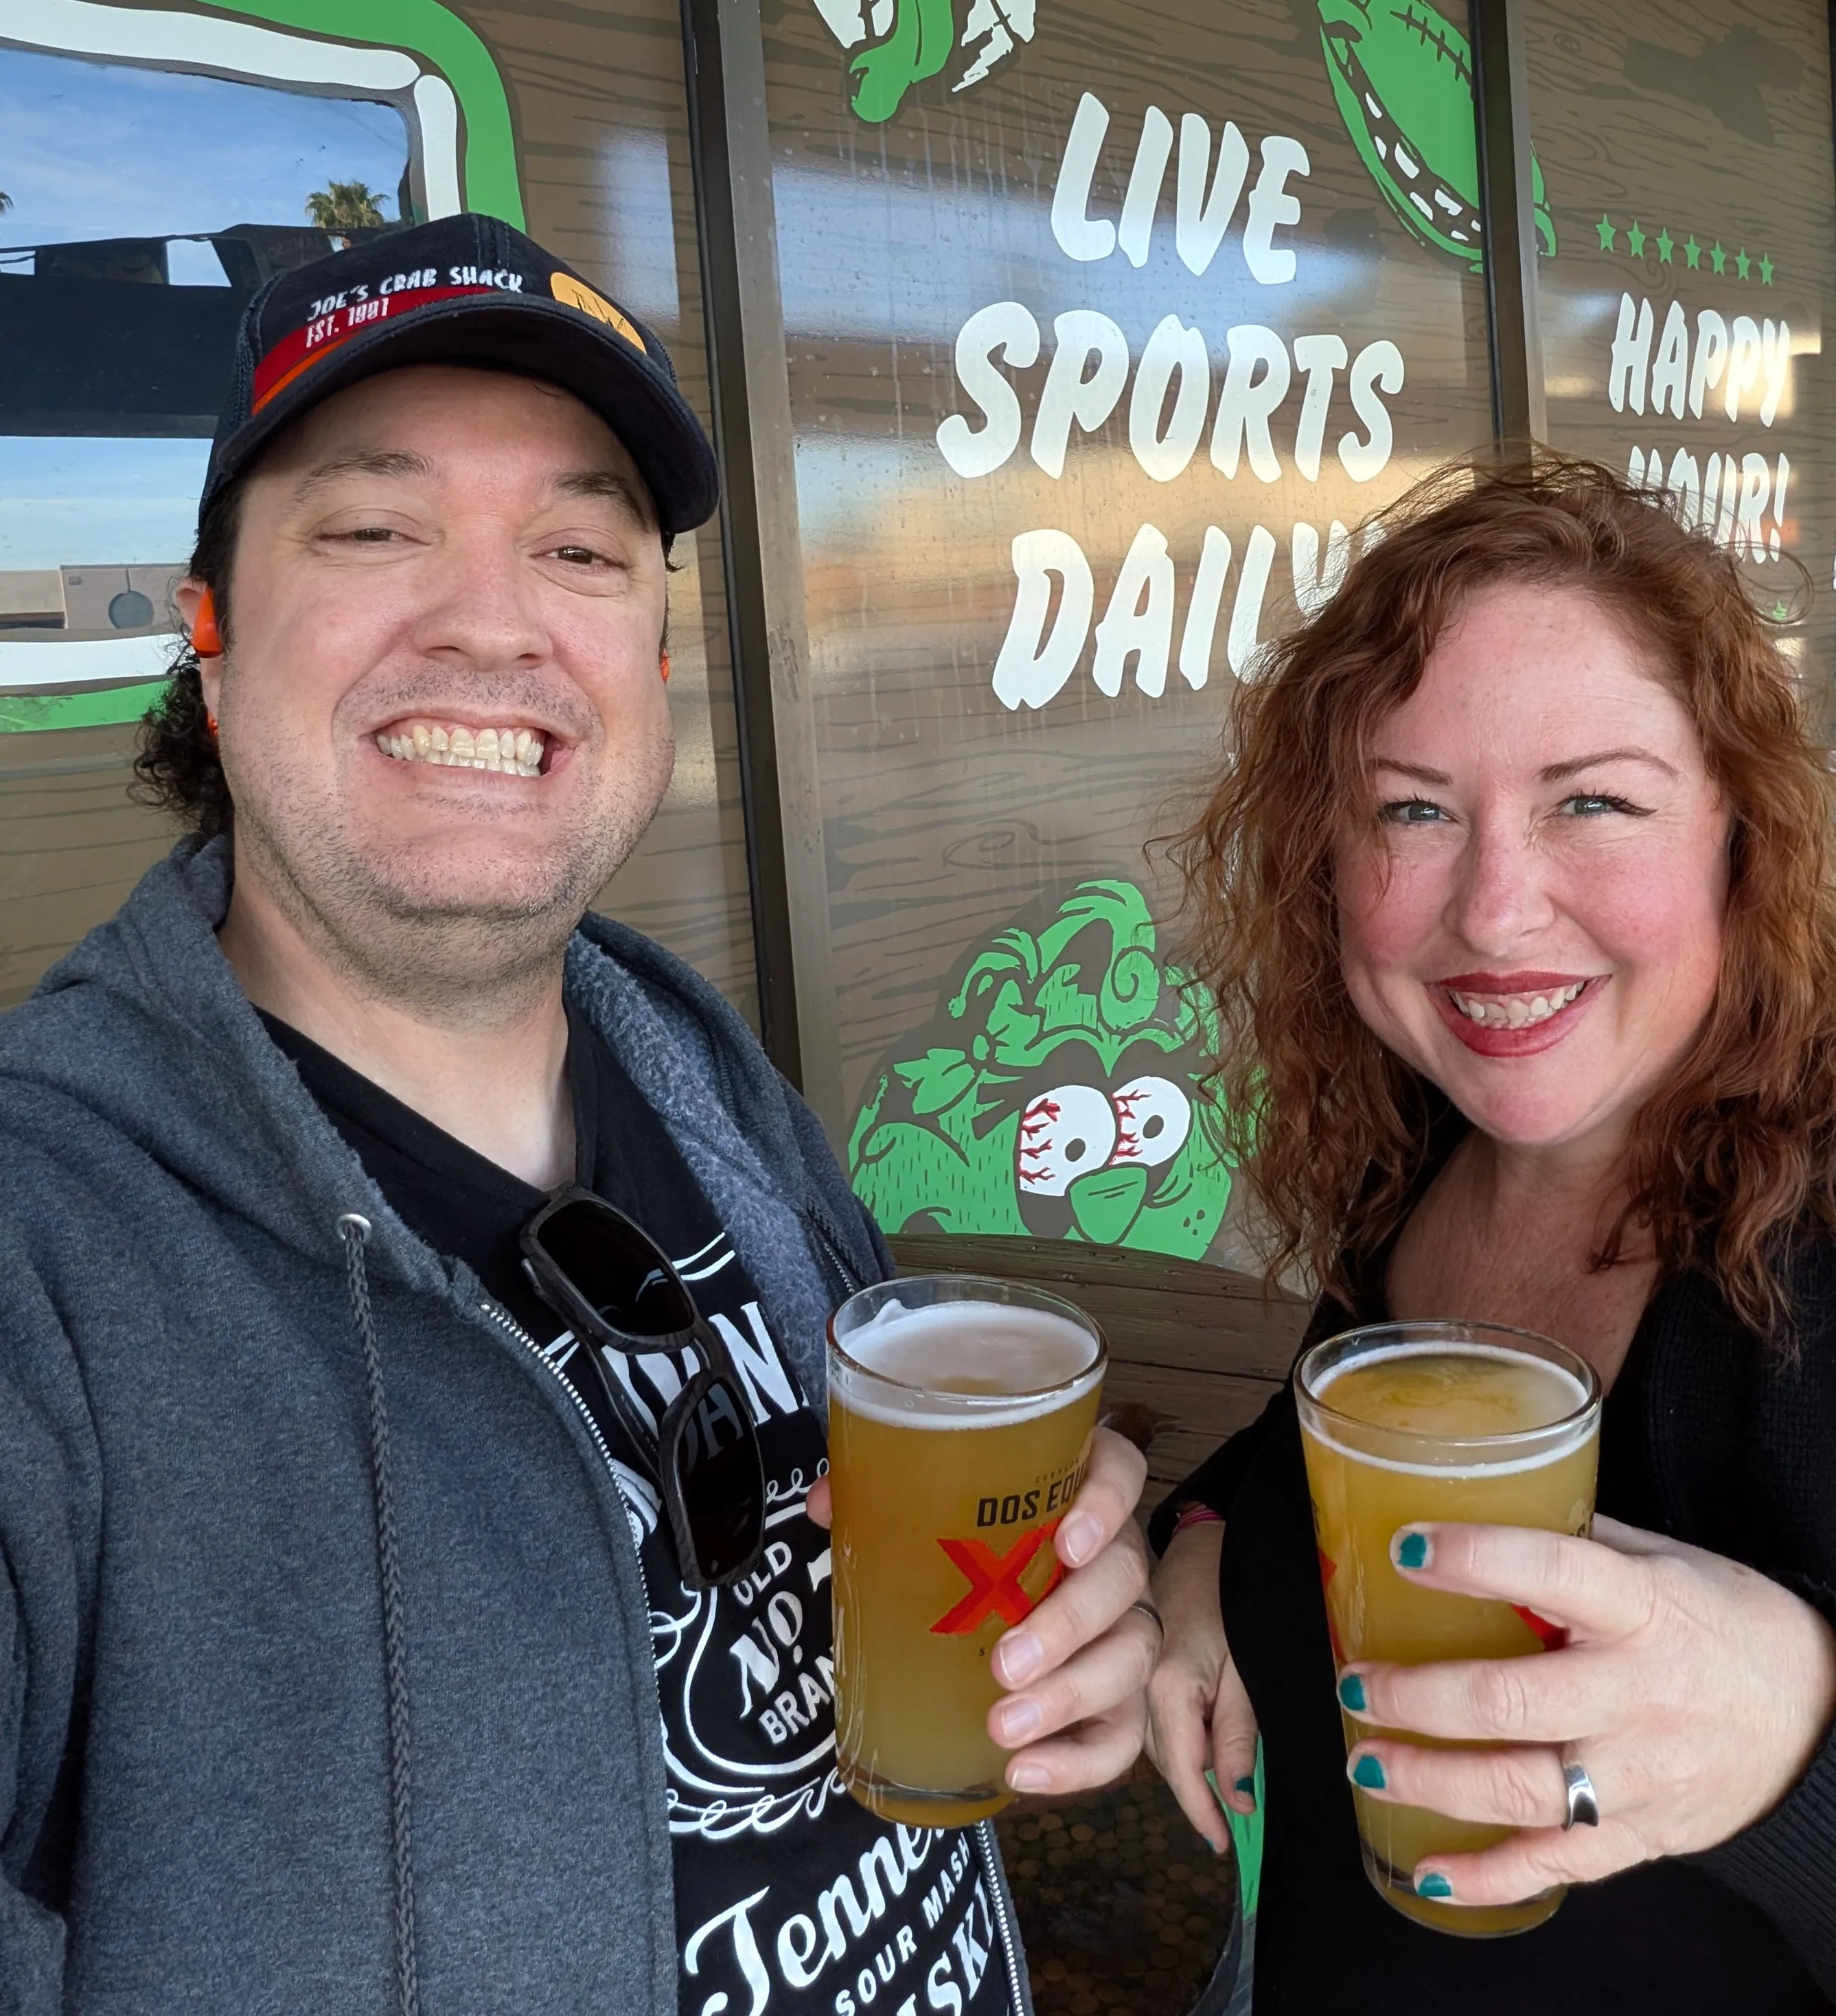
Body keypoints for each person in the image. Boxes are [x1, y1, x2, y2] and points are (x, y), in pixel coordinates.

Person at [0, 214, 1158, 2015]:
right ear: (209, 642)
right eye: (377, 530)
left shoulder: (692, 1066)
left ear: (653, 669)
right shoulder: (47, 1248)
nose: (490, 621)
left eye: (578, 548)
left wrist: (1075, 1585)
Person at [1140, 455, 1836, 2015]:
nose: (1491, 908)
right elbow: (1340, 1485)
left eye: (1591, 801)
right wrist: (1206, 1541)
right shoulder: (1428, 1169)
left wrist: (1810, 1743)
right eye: (1410, 808)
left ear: (1739, 842)